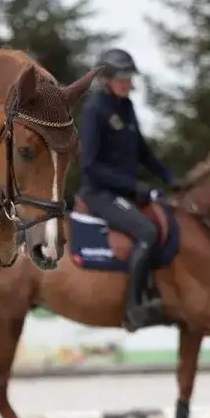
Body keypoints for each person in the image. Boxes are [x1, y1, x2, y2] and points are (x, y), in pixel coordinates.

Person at [78, 47, 178, 331]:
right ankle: (133, 308)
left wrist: (170, 178)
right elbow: (90, 166)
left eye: (130, 78)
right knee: (147, 232)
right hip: (100, 194)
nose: (130, 83)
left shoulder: (128, 107)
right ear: (106, 79)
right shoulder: (94, 111)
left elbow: (143, 152)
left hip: (125, 192)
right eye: (124, 78)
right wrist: (135, 186)